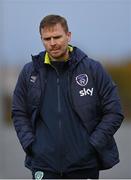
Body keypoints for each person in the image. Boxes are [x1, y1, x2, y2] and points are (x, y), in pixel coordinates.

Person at [12, 14, 124, 179]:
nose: (52, 43)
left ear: (68, 35)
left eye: (57, 37)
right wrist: (32, 145)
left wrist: (91, 145)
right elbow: (19, 112)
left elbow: (114, 111)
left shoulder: (93, 69)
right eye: (47, 38)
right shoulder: (30, 72)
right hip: (43, 165)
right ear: (41, 39)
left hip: (84, 165)